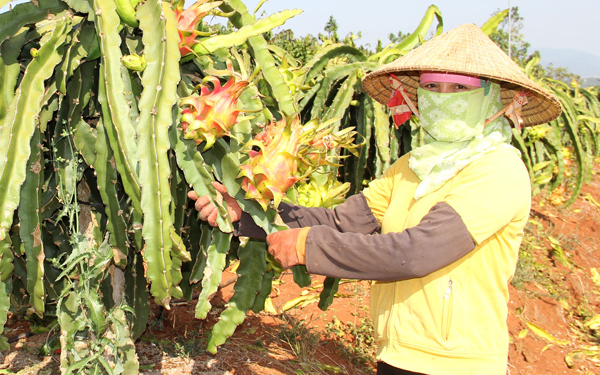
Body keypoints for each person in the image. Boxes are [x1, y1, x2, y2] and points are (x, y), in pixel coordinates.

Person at [189, 24, 561, 375]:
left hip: (458, 363)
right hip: (394, 354)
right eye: (432, 87)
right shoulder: (411, 166)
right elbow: (343, 221)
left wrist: (308, 246)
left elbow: (419, 252)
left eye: (460, 88)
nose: (443, 98)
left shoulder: (498, 169)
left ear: (492, 98)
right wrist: (244, 214)